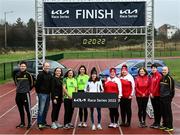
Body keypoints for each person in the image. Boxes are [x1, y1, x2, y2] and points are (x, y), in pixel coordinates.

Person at [14, 61, 34, 129]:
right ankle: (22, 123)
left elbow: (32, 84)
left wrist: (26, 90)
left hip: (25, 94)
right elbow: (16, 83)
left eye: (24, 66)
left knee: (27, 109)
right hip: (18, 94)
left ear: (26, 67)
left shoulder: (29, 74)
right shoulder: (17, 74)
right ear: (19, 66)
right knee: (20, 110)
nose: (22, 67)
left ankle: (29, 123)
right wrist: (19, 90)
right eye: (21, 66)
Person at [35, 62, 53, 129]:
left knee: (46, 109)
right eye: (46, 66)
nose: (47, 67)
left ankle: (43, 122)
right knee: (41, 109)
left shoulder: (50, 74)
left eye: (48, 66)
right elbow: (37, 85)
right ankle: (39, 123)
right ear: (43, 66)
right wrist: (38, 93)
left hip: (48, 94)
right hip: (42, 94)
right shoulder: (40, 74)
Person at [159, 66, 175, 132]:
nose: (163, 71)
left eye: (165, 70)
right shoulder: (162, 78)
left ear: (168, 71)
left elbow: (172, 90)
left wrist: (170, 98)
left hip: (167, 98)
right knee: (163, 112)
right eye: (163, 70)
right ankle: (165, 124)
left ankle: (170, 126)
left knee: (168, 112)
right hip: (162, 98)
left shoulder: (169, 78)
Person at [149, 64, 162, 129]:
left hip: (157, 96)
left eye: (154, 68)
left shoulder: (159, 76)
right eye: (152, 68)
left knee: (158, 110)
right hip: (152, 96)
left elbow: (157, 86)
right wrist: (150, 93)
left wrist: (153, 93)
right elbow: (150, 85)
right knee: (155, 109)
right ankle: (155, 122)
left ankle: (158, 123)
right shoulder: (152, 76)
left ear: (156, 69)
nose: (153, 69)